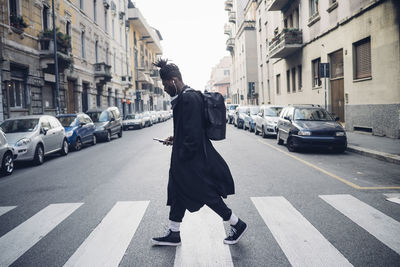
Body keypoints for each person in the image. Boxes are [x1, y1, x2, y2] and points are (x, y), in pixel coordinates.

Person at [151, 59, 247, 246]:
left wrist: (182, 155)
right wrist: (175, 139)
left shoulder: (188, 98)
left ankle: (237, 223)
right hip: (186, 158)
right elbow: (188, 129)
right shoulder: (184, 97)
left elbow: (193, 135)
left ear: (173, 80)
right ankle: (174, 232)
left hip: (192, 160)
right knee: (177, 191)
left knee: (206, 193)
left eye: (164, 84)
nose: (163, 88)